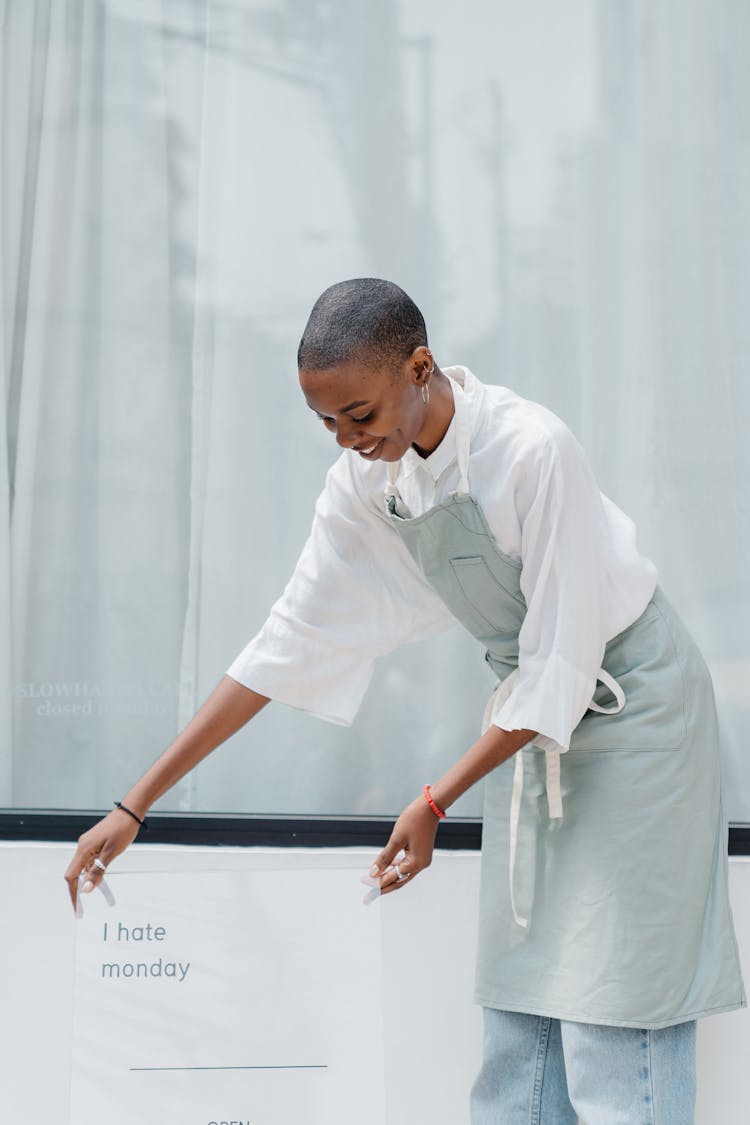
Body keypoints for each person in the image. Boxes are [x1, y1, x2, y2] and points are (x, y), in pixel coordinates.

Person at [65, 278, 745, 1123]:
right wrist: (136, 804)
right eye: (326, 423)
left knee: (614, 1019)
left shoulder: (533, 450)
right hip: (531, 731)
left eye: (360, 414)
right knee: (520, 1034)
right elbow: (284, 644)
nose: (348, 440)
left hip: (636, 716)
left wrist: (433, 800)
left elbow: (561, 668)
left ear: (420, 368)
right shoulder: (366, 485)